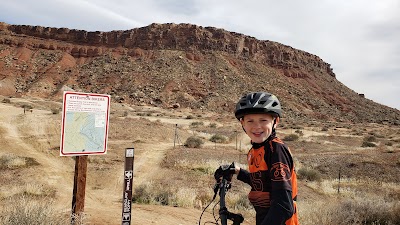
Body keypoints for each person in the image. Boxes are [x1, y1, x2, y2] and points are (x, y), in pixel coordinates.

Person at [216, 92, 299, 225]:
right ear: (242, 123)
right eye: (250, 121)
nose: (256, 126)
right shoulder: (254, 151)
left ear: (275, 121)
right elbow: (264, 184)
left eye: (263, 120)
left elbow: (283, 206)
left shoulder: (275, 149)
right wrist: (238, 171)